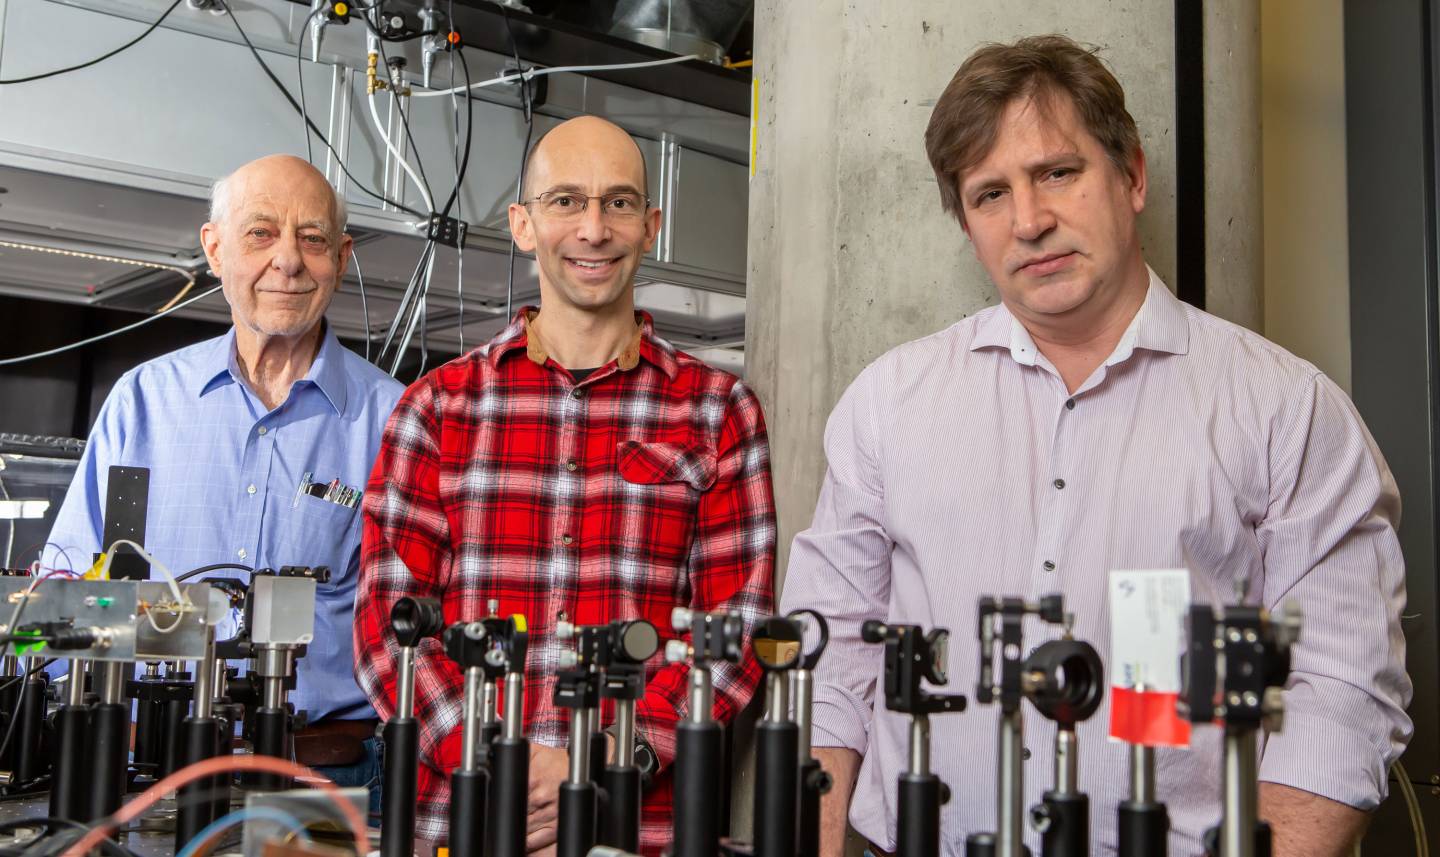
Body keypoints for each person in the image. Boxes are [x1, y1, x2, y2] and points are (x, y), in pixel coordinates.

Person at [779, 35, 1411, 857]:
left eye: (1057, 173)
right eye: (990, 194)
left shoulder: (1286, 411)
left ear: (1132, 176)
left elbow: (1339, 694)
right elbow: (830, 658)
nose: (1030, 221)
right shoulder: (888, 403)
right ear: (967, 225)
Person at [355, 115, 776, 855]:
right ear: (523, 225)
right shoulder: (438, 407)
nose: (594, 228)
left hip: (637, 829)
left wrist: (604, 758)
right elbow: (388, 630)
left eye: (619, 203)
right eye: (566, 201)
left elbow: (734, 630)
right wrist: (495, 763)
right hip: (464, 824)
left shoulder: (718, 412)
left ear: (650, 228)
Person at [44, 154, 404, 803]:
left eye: (312, 238)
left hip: (326, 778)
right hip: (140, 767)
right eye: (260, 233)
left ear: (342, 256)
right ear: (215, 249)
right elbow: (58, 600)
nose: (288, 260)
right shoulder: (142, 403)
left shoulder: (395, 420)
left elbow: (420, 628)